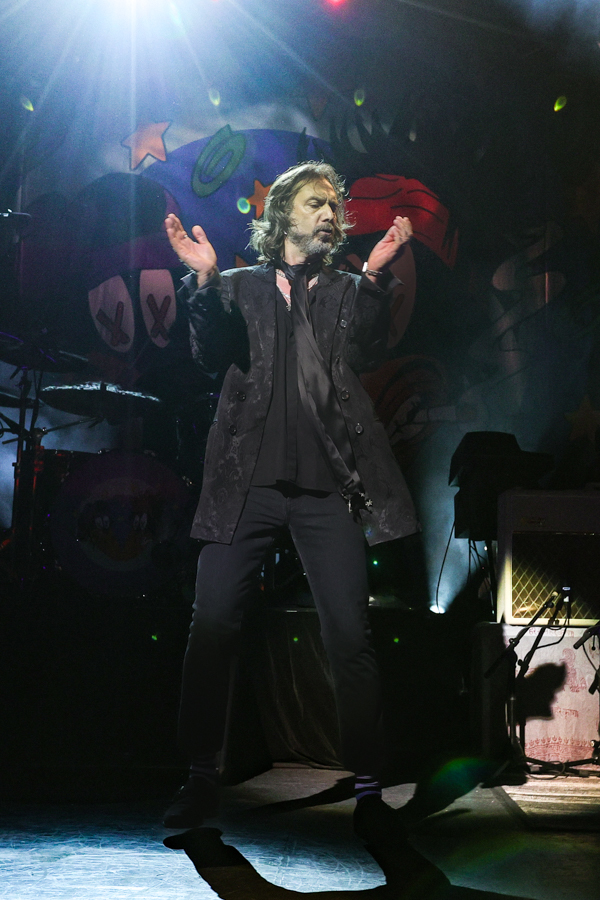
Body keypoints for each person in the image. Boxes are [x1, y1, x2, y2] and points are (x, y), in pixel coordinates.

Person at [162, 161, 418, 831]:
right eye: (315, 203)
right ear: (282, 215)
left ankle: (369, 788)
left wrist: (377, 278)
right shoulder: (240, 286)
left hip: (328, 489)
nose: (330, 214)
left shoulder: (346, 290)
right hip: (243, 485)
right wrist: (204, 283)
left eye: (335, 205)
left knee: (349, 635)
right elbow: (207, 354)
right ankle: (201, 778)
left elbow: (368, 349)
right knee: (212, 624)